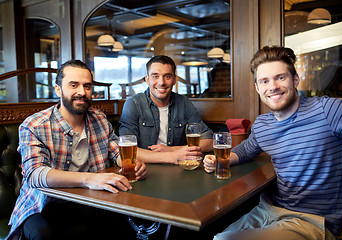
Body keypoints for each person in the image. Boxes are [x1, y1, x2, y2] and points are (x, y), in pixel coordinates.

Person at [203, 46, 342, 240]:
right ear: (257, 88)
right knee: (217, 237)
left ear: (295, 80)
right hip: (268, 209)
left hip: (312, 219)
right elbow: (246, 149)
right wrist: (222, 159)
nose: (273, 87)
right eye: (265, 81)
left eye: (280, 78)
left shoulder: (328, 110)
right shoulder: (262, 124)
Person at [7, 60, 147, 240]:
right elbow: (35, 174)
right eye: (74, 85)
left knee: (132, 221)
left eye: (87, 86)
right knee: (44, 235)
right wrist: (90, 179)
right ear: (58, 89)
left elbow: (116, 151)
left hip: (90, 200)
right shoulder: (34, 125)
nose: (82, 92)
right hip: (42, 205)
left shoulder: (99, 118)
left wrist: (130, 164)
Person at [119, 55, 213, 164]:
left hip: (178, 170)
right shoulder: (133, 104)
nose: (161, 82)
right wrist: (170, 156)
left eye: (167, 76)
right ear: (147, 79)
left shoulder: (184, 103)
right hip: (146, 170)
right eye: (155, 76)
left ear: (174, 80)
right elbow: (126, 150)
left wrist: (173, 150)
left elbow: (209, 141)